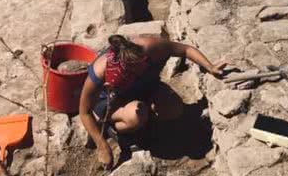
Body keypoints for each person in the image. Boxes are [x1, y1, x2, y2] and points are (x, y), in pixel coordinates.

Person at [79, 34, 225, 168]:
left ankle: (148, 126)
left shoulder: (151, 48)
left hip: (146, 88)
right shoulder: (100, 71)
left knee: (173, 108)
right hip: (111, 101)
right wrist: (101, 145)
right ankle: (117, 130)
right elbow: (84, 112)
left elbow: (185, 49)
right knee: (135, 116)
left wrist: (210, 67)